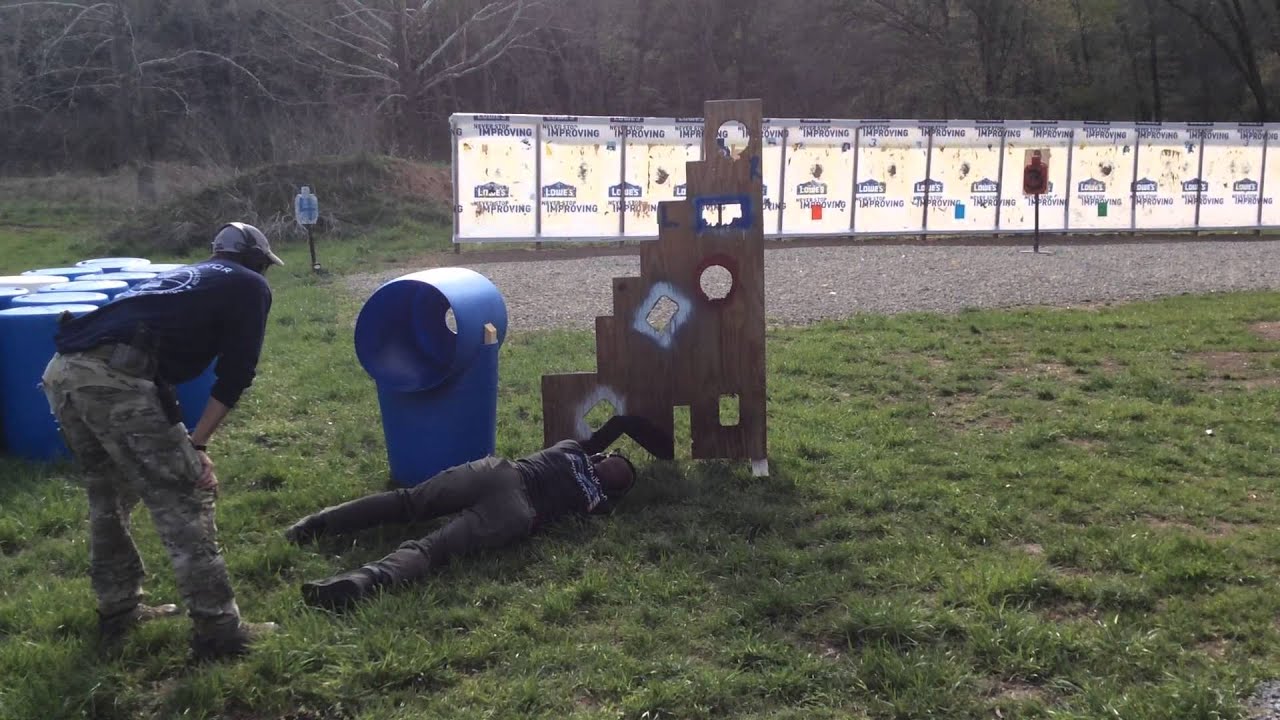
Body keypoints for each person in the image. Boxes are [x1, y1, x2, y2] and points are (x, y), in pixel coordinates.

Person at [40, 222, 284, 660]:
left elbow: (154, 373)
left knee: (108, 495)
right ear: (255, 261)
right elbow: (237, 373)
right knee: (186, 496)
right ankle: (218, 630)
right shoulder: (249, 285)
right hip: (114, 379)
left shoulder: (183, 278)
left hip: (63, 372)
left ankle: (119, 609)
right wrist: (198, 446)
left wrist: (189, 440)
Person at [286, 441, 639, 610]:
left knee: (407, 501)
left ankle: (319, 522)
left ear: (602, 457)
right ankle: (365, 579)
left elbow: (602, 434)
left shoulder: (571, 449)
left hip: (501, 473)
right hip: (518, 512)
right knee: (432, 550)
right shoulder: (598, 503)